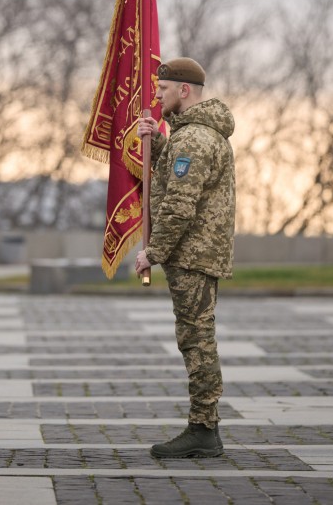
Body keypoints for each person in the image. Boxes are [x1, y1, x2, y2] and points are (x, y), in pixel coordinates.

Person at [135, 58, 236, 458]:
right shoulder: (191, 135)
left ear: (184, 91)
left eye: (162, 90)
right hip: (197, 252)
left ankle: (203, 429)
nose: (156, 96)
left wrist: (153, 253)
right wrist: (157, 142)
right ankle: (203, 426)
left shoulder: (194, 138)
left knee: (196, 341)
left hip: (192, 254)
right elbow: (178, 179)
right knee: (196, 337)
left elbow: (179, 204)